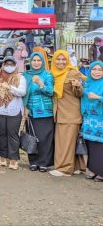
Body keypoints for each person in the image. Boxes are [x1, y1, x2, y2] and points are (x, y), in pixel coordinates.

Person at [49, 49, 87, 177]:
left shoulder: (73, 73)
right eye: (58, 59)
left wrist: (78, 86)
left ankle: (64, 169)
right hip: (60, 112)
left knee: (64, 141)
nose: (61, 62)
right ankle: (77, 167)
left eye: (63, 59)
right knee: (70, 141)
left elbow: (80, 92)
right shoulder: (53, 73)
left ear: (68, 60)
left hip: (70, 113)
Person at [0, 56, 26, 170]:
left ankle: (13, 158)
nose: (9, 66)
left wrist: (10, 87)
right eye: (7, 64)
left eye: (11, 64)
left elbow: (22, 92)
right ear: (3, 65)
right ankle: (2, 156)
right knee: (2, 134)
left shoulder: (20, 77)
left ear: (15, 65)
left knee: (13, 134)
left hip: (14, 110)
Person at [23, 52, 55, 172]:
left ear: (43, 62)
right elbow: (25, 94)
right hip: (31, 112)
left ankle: (44, 163)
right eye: (34, 60)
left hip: (45, 111)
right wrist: (25, 107)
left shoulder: (47, 75)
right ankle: (33, 161)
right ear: (30, 62)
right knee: (32, 137)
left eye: (39, 60)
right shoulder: (27, 75)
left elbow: (51, 92)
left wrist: (41, 84)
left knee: (45, 138)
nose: (36, 63)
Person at [81, 61, 103, 182]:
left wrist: (98, 97)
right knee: (90, 146)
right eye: (94, 69)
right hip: (89, 120)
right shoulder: (87, 84)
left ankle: (101, 172)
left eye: (100, 70)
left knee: (100, 147)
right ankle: (92, 169)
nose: (97, 72)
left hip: (101, 121)